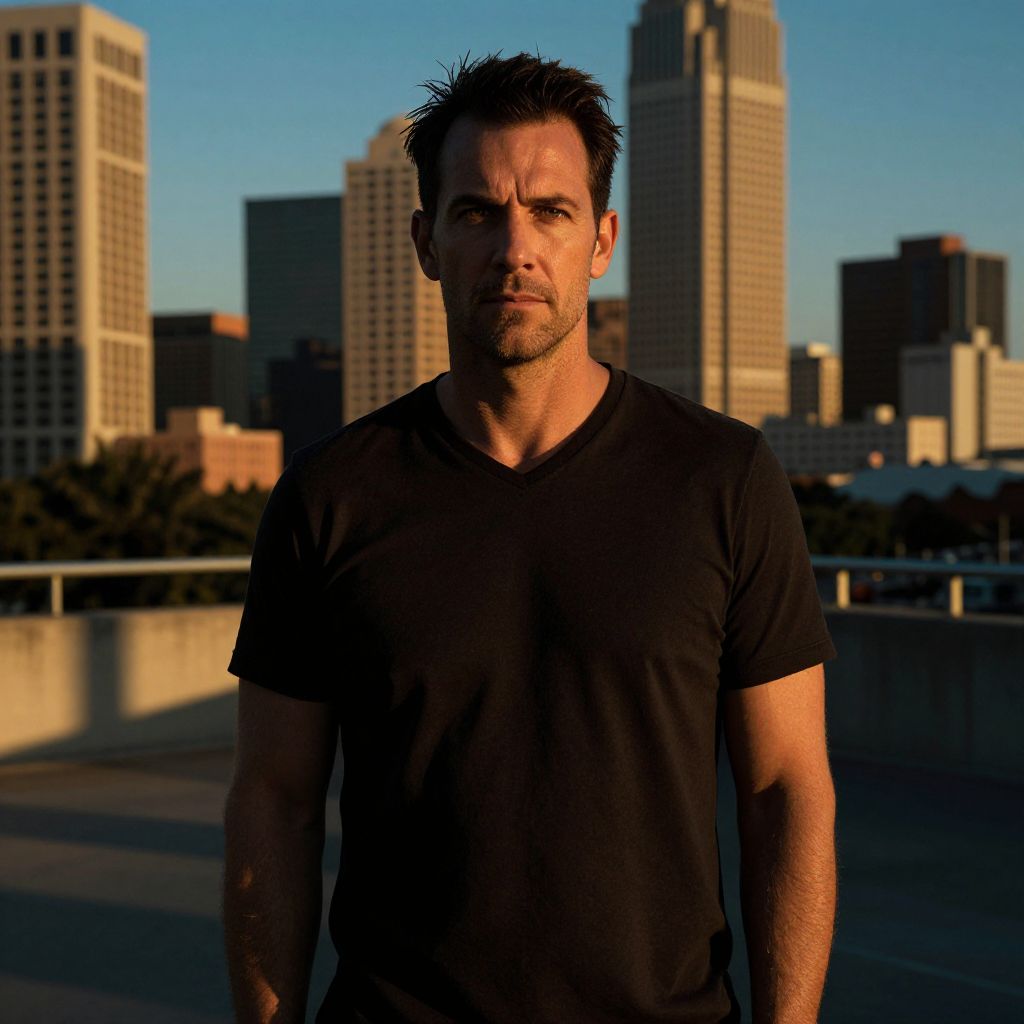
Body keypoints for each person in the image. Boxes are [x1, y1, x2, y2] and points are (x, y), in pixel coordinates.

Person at [223, 53, 837, 1024]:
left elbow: (785, 790)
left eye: (550, 211)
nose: (515, 247)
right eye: (477, 212)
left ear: (600, 241)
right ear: (426, 241)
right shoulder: (329, 495)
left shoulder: (720, 477)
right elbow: (274, 801)